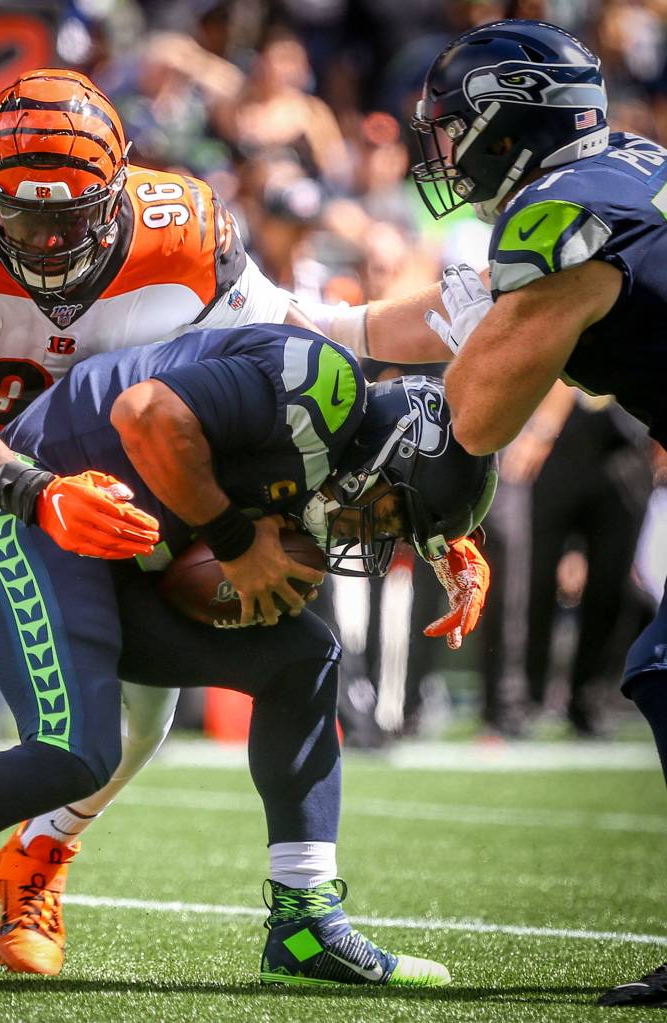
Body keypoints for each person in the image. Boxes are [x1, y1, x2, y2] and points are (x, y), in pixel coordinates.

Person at [0, 321, 495, 993]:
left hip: (116, 553)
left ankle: (305, 919)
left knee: (306, 656)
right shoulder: (321, 388)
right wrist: (237, 543)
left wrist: (445, 540)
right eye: (391, 513)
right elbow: (148, 414)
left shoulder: (345, 436)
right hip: (36, 515)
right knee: (74, 751)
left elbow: (375, 469)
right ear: (385, 457)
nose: (374, 531)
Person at [0, 66, 326, 976]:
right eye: (22, 212)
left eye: (71, 215)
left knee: (130, 728)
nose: (44, 237)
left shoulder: (186, 229)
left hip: (118, 490)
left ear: (118, 192)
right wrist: (34, 491)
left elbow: (292, 350)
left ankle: (37, 857)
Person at [297, 18, 667, 1007]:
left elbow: (473, 415)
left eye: (456, 126)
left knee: (665, 669)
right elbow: (470, 311)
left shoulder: (560, 220)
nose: (444, 148)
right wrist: (317, 325)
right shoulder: (620, 170)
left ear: (512, 124)